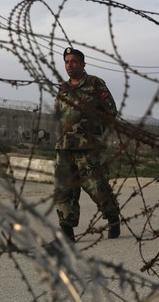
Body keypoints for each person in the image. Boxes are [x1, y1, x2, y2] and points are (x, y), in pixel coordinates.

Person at [53, 47, 121, 242]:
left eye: (74, 61)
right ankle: (66, 231)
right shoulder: (63, 88)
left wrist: (96, 133)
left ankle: (112, 216)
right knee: (64, 190)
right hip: (65, 147)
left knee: (96, 188)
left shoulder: (95, 84)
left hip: (88, 147)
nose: (70, 65)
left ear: (83, 64)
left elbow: (111, 112)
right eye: (67, 62)